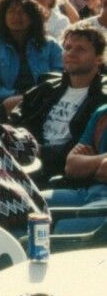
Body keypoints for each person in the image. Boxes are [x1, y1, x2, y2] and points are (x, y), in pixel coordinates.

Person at [8, 21, 107, 180]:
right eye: (67, 48)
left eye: (80, 49)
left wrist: (39, 150)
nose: (71, 53)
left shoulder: (102, 98)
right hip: (24, 153)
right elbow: (17, 115)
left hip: (60, 168)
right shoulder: (49, 86)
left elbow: (81, 147)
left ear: (98, 59)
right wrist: (17, 135)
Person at [0, 0, 64, 114]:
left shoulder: (50, 45)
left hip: (47, 101)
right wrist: (21, 96)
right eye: (11, 12)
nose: (16, 17)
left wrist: (38, 95)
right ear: (3, 17)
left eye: (22, 12)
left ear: (32, 17)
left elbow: (61, 78)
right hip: (10, 105)